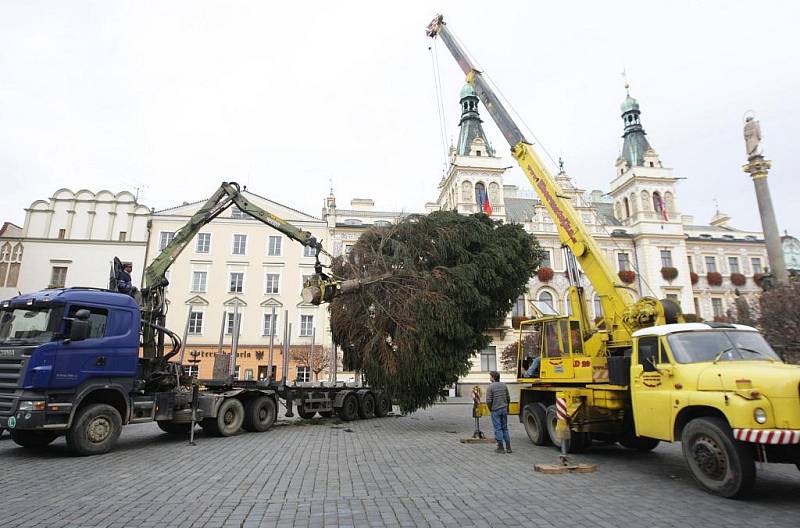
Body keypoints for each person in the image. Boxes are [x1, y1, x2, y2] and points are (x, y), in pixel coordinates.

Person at [485, 371, 511, 453]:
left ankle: (500, 447)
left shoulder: (490, 387)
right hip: (504, 408)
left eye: (490, 376)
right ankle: (508, 447)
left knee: (498, 429)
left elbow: (488, 401)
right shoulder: (504, 385)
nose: (489, 378)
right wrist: (507, 407)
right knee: (505, 428)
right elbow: (508, 398)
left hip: (495, 410)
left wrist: (490, 409)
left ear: (493, 377)